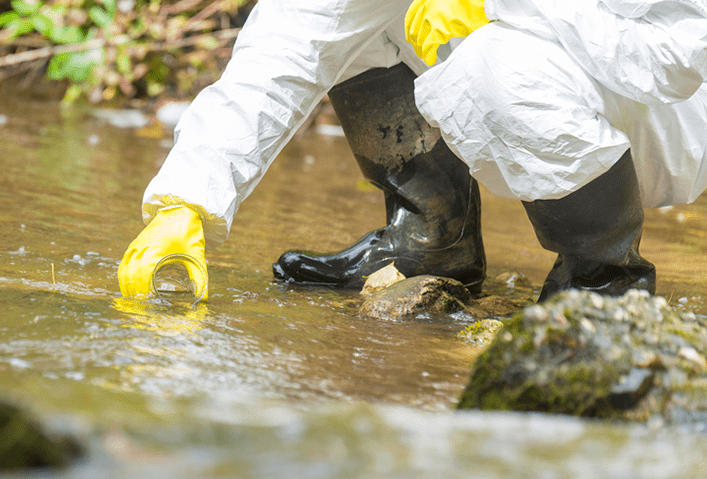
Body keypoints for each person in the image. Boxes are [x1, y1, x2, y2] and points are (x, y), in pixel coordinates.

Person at [117, 0, 707, 304]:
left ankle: (604, 280)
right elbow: (287, 48)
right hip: (548, 75)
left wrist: (500, 5)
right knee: (354, 29)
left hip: (663, 120)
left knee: (493, 65)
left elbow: (680, 55)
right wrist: (186, 201)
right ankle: (433, 241)